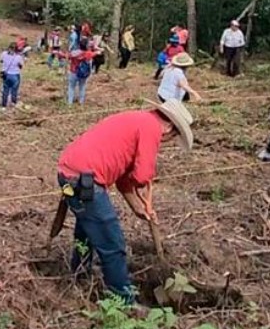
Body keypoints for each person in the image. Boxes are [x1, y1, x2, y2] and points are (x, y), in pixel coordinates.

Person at [57, 99, 194, 303]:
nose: (166, 142)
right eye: (173, 137)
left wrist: (139, 209)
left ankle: (80, 276)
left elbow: (124, 181)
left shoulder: (137, 120)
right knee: (113, 242)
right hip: (84, 181)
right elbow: (142, 176)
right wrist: (145, 185)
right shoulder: (151, 128)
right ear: (169, 128)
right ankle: (123, 301)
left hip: (67, 177)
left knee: (87, 225)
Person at [65, 38, 97, 105]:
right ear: (86, 46)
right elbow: (96, 53)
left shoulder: (74, 52)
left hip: (73, 72)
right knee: (82, 87)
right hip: (83, 73)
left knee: (71, 87)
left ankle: (69, 103)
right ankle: (81, 102)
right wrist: (98, 50)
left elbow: (67, 56)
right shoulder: (88, 53)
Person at [0, 42, 24, 110]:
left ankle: (3, 106)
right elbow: (21, 66)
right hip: (15, 75)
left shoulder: (4, 53)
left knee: (5, 90)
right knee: (14, 90)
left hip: (5, 74)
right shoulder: (18, 57)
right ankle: (13, 103)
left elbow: (1, 61)